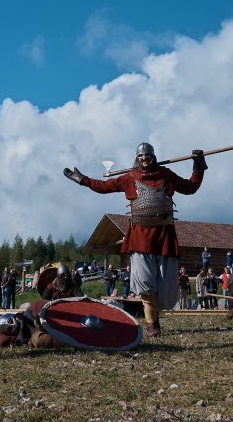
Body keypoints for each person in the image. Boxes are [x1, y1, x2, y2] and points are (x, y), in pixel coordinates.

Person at [63, 142, 207, 336]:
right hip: (140, 236)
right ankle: (152, 324)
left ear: (153, 157)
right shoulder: (129, 178)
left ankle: (156, 316)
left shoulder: (166, 175)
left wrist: (198, 165)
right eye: (140, 156)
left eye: (147, 156)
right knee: (146, 283)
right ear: (137, 158)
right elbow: (104, 187)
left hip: (164, 235)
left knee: (166, 285)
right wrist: (83, 180)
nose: (144, 159)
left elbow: (190, 187)